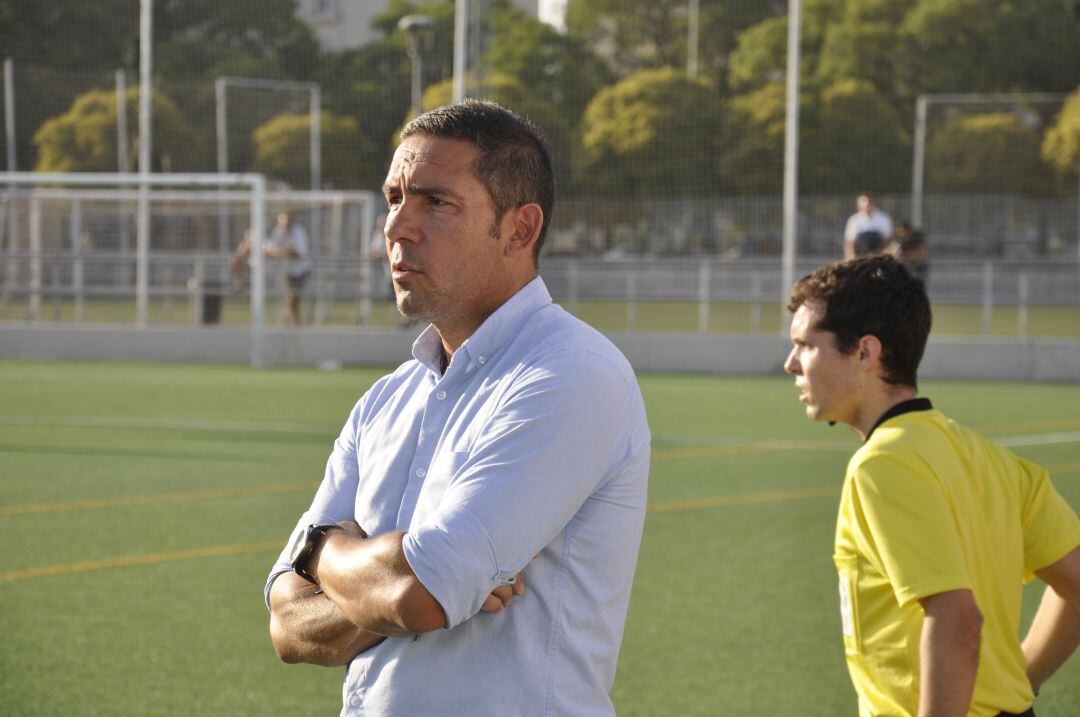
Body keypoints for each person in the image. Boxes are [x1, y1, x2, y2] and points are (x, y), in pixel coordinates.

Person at [265, 100, 651, 716]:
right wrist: (393, 579)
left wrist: (323, 554)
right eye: (394, 198)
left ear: (520, 229)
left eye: (434, 202)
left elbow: (417, 595)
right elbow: (287, 626)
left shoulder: (572, 373)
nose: (396, 226)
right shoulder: (386, 400)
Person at [783, 255, 1080, 717]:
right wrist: (1017, 685)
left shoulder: (881, 465)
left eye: (805, 346)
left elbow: (957, 618)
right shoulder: (995, 460)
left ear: (865, 352)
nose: (790, 365)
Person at [230, 211, 311, 325]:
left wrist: (278, 252)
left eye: (287, 221)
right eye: (282, 221)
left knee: (293, 300)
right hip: (284, 270)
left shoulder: (299, 233)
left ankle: (294, 324)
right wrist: (276, 252)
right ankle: (287, 323)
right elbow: (274, 249)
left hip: (299, 270)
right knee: (288, 300)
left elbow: (297, 253)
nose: (284, 224)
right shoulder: (277, 232)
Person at [843, 192, 893, 259]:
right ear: (859, 204)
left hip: (878, 256)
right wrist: (850, 256)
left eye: (869, 201)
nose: (867, 204)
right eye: (864, 201)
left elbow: (888, 239)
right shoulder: (853, 220)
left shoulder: (884, 218)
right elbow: (850, 242)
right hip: (859, 256)